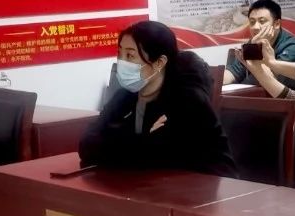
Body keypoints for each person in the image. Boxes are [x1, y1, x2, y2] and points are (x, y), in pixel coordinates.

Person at [79, 20, 236, 178]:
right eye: (120, 54)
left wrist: (120, 140)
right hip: (142, 184)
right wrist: (144, 141)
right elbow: (87, 146)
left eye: (130, 56)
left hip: (201, 185)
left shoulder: (187, 100)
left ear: (159, 62)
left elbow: (166, 157)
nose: (122, 63)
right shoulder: (124, 97)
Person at [223, 0, 295, 91]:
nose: (255, 27)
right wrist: (214, 80)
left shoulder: (292, 48)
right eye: (252, 22)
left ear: (276, 24)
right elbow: (233, 73)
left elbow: (270, 83)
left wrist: (255, 50)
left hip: (285, 98)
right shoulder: (254, 42)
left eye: (262, 21)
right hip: (252, 95)